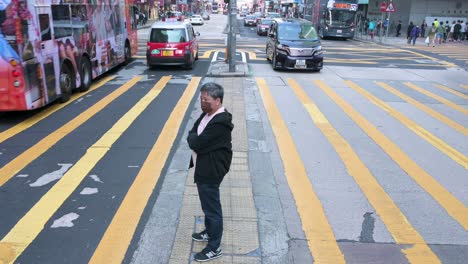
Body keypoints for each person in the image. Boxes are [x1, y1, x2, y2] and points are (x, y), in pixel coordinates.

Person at [188, 82, 234, 262]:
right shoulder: (208, 114)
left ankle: (215, 247)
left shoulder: (220, 122)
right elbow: (193, 131)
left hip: (211, 170)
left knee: (212, 208)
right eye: (201, 99)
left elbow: (195, 142)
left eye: (206, 99)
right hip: (203, 166)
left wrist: (193, 140)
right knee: (207, 205)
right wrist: (194, 138)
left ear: (217, 100)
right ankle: (209, 231)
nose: (202, 102)